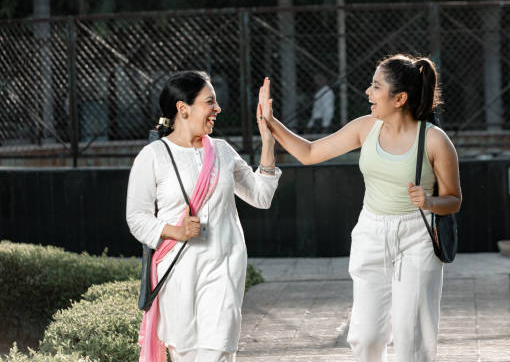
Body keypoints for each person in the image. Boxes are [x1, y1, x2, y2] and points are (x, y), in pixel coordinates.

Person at [258, 54, 461, 362]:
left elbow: (454, 199)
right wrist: (271, 123)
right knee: (366, 337)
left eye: (376, 86)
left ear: (400, 98)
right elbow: (310, 153)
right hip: (372, 232)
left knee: (412, 339)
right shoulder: (366, 128)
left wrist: (430, 201)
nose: (368, 92)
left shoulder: (435, 141)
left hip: (417, 236)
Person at [126, 70, 281, 362]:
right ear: (182, 109)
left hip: (224, 266)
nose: (217, 109)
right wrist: (176, 231)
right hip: (178, 272)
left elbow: (261, 196)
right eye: (209, 102)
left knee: (218, 352)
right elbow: (137, 217)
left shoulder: (222, 151)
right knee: (186, 353)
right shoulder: (153, 156)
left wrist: (268, 141)